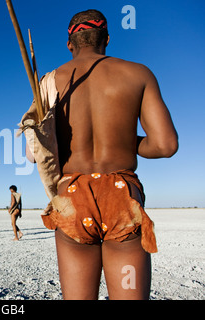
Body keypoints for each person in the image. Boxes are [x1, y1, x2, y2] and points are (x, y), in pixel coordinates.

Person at [33, 9, 178, 300]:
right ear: (107, 39)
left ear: (69, 44)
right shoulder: (138, 74)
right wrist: (125, 140)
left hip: (73, 200)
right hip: (121, 198)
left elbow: (34, 152)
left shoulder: (49, 82)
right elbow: (165, 145)